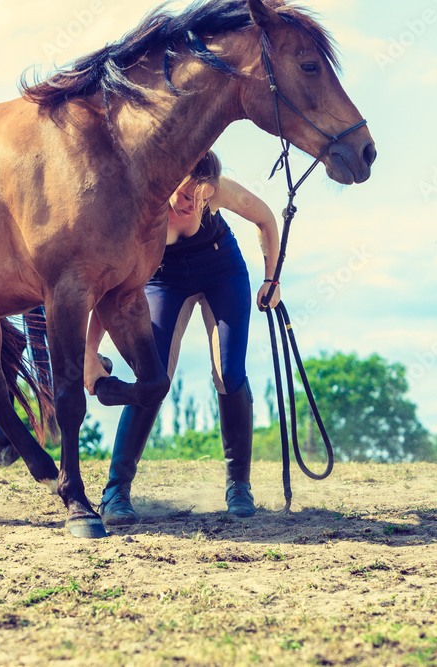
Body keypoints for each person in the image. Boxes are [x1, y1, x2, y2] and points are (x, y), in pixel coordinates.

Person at [84, 150, 280, 526]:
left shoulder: (215, 189)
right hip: (163, 279)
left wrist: (272, 279)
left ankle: (239, 485)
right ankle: (116, 491)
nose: (194, 204)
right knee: (152, 374)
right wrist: (90, 352)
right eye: (187, 196)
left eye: (203, 198)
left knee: (229, 372)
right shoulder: (147, 207)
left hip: (222, 270)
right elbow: (113, 289)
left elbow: (266, 218)